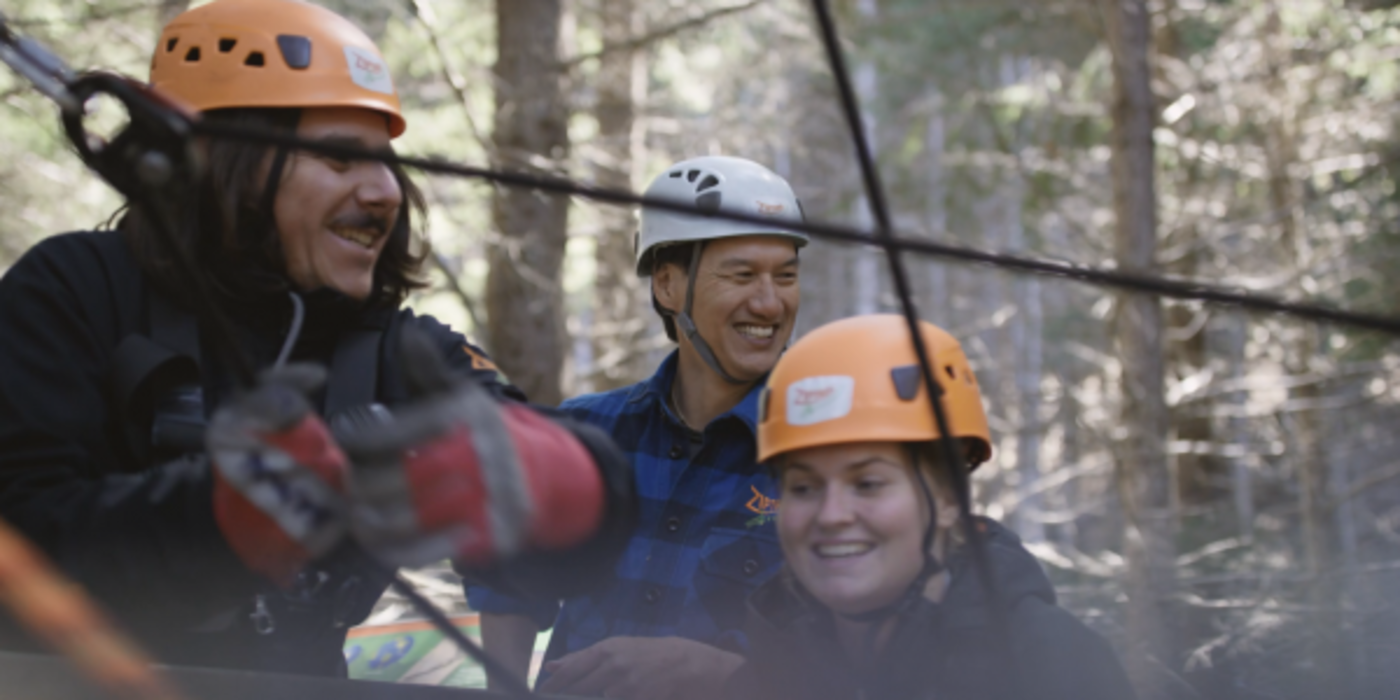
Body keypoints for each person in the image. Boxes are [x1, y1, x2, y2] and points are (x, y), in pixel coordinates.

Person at [0, 0, 632, 678]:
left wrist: (563, 478)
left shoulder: (397, 351)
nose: (387, 191)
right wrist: (220, 520)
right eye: (339, 158)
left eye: (388, 162)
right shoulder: (74, 291)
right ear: (220, 159)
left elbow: (586, 518)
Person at [467, 155, 807, 699]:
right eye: (742, 274)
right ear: (669, 287)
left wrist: (722, 674)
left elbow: (860, 647)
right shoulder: (585, 433)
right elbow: (508, 585)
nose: (770, 302)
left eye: (786, 276)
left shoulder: (817, 455)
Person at [728, 314, 1137, 700]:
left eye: (868, 484)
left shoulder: (1052, 669)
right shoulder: (764, 677)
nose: (832, 514)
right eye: (803, 487)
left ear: (948, 500)